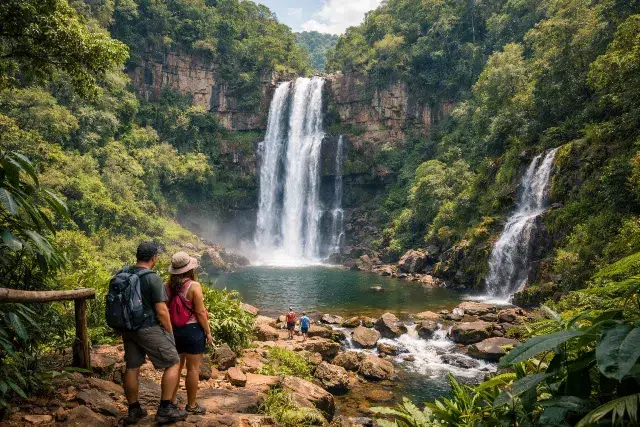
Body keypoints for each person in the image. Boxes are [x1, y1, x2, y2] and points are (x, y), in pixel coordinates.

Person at [121, 242, 187, 425]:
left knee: (132, 367)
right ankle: (165, 409)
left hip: (128, 329)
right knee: (173, 362)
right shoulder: (153, 278)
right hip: (148, 327)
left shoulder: (125, 273)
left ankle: (134, 410)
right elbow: (161, 310)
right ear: (153, 258)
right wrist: (169, 330)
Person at [166, 252, 213, 415]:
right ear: (189, 269)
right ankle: (191, 405)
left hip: (174, 330)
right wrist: (208, 332)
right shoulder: (194, 286)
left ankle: (170, 402)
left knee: (175, 368)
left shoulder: (168, 285)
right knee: (193, 369)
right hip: (193, 331)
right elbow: (200, 313)